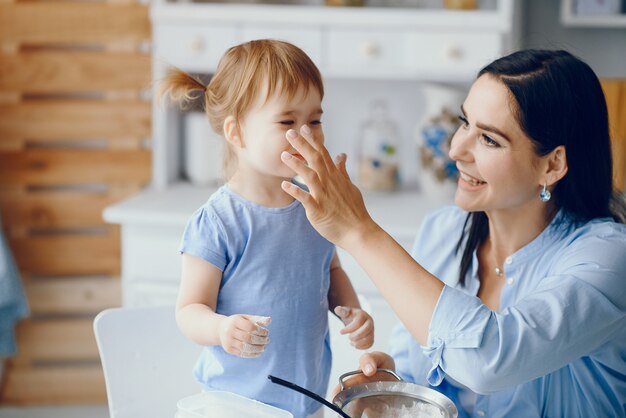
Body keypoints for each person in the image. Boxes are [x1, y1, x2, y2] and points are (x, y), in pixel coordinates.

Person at [279, 49, 626, 417]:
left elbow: (488, 359)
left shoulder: (608, 258)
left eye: (489, 139)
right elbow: (423, 369)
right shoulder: (443, 231)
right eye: (465, 122)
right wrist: (392, 386)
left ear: (552, 164)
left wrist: (358, 231)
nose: (455, 149)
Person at [159, 39, 374, 418]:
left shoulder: (317, 204)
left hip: (307, 401)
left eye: (315, 120)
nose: (306, 134)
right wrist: (222, 329)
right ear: (237, 133)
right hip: (234, 405)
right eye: (287, 122)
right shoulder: (220, 221)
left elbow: (330, 268)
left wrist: (351, 311)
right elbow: (189, 310)